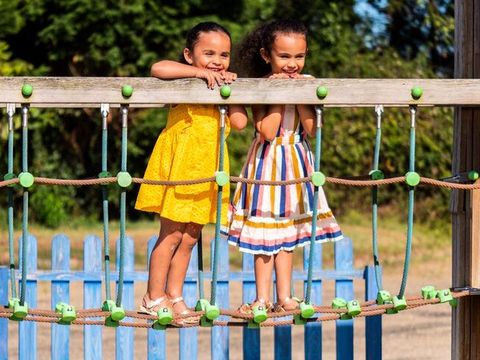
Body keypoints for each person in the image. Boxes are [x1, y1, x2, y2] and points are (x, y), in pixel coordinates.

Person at [226, 19, 342, 313]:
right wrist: (280, 95)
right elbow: (266, 131)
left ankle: (285, 296)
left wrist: (302, 94)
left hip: (296, 161)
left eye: (299, 56)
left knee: (287, 233)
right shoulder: (260, 86)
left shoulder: (309, 84)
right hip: (267, 161)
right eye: (284, 56)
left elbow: (313, 128)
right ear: (267, 55)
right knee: (265, 232)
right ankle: (262, 298)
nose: (293, 64)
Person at [136, 22, 247, 323]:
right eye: (208, 53)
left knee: (190, 238)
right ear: (189, 54)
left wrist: (229, 90)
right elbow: (157, 68)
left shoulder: (219, 87)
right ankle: (152, 297)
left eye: (224, 55)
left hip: (210, 170)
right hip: (180, 167)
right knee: (171, 234)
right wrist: (199, 74)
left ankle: (174, 296)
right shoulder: (185, 81)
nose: (217, 60)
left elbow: (239, 123)